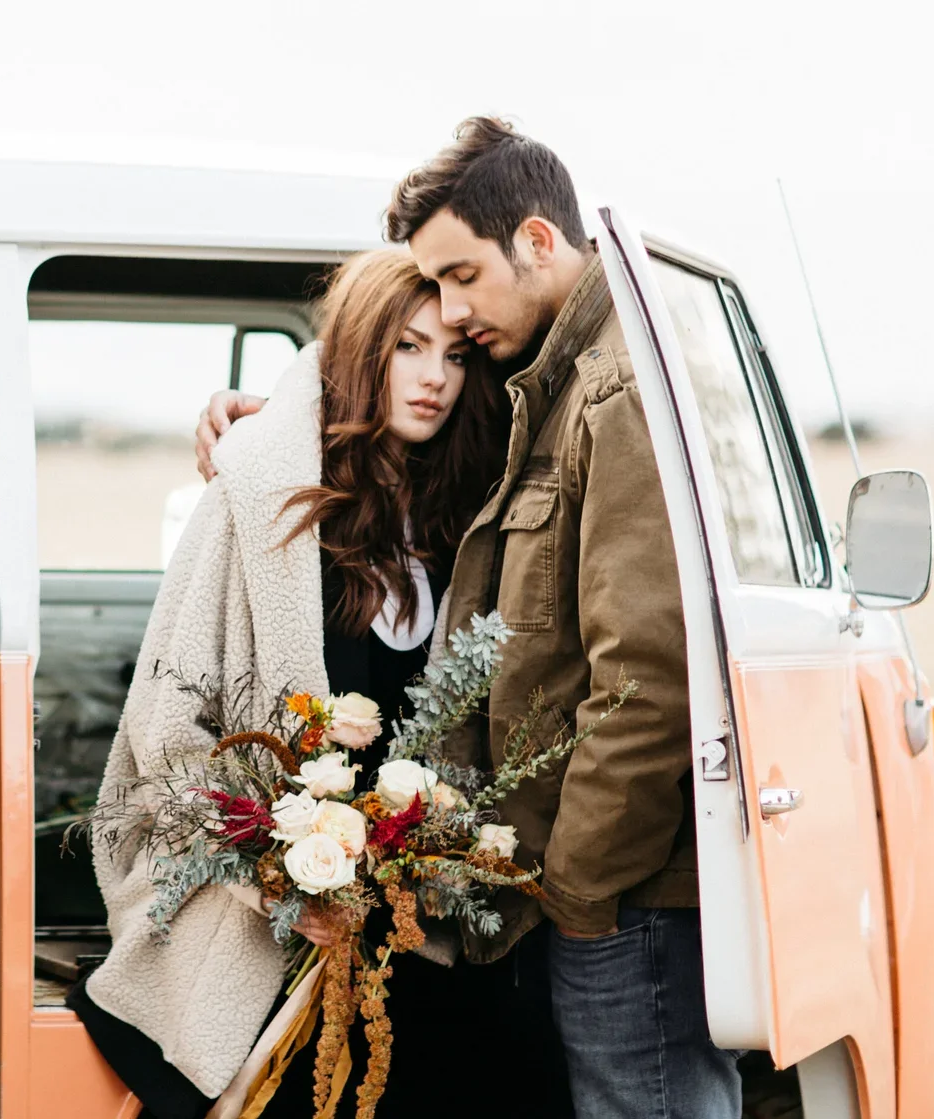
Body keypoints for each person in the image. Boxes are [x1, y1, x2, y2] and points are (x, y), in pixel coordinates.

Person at [197, 118, 742, 1118]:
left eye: (458, 290)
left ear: (536, 243)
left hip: (576, 902)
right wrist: (269, 420)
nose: (446, 342)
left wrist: (562, 895)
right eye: (412, 336)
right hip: (486, 912)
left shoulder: (599, 392)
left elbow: (643, 681)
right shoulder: (542, 386)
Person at [72, 250, 570, 1119]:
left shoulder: (468, 520)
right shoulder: (259, 500)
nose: (433, 380)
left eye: (455, 356)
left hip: (421, 919)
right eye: (407, 348)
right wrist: (272, 877)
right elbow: (168, 723)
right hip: (280, 912)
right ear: (359, 353)